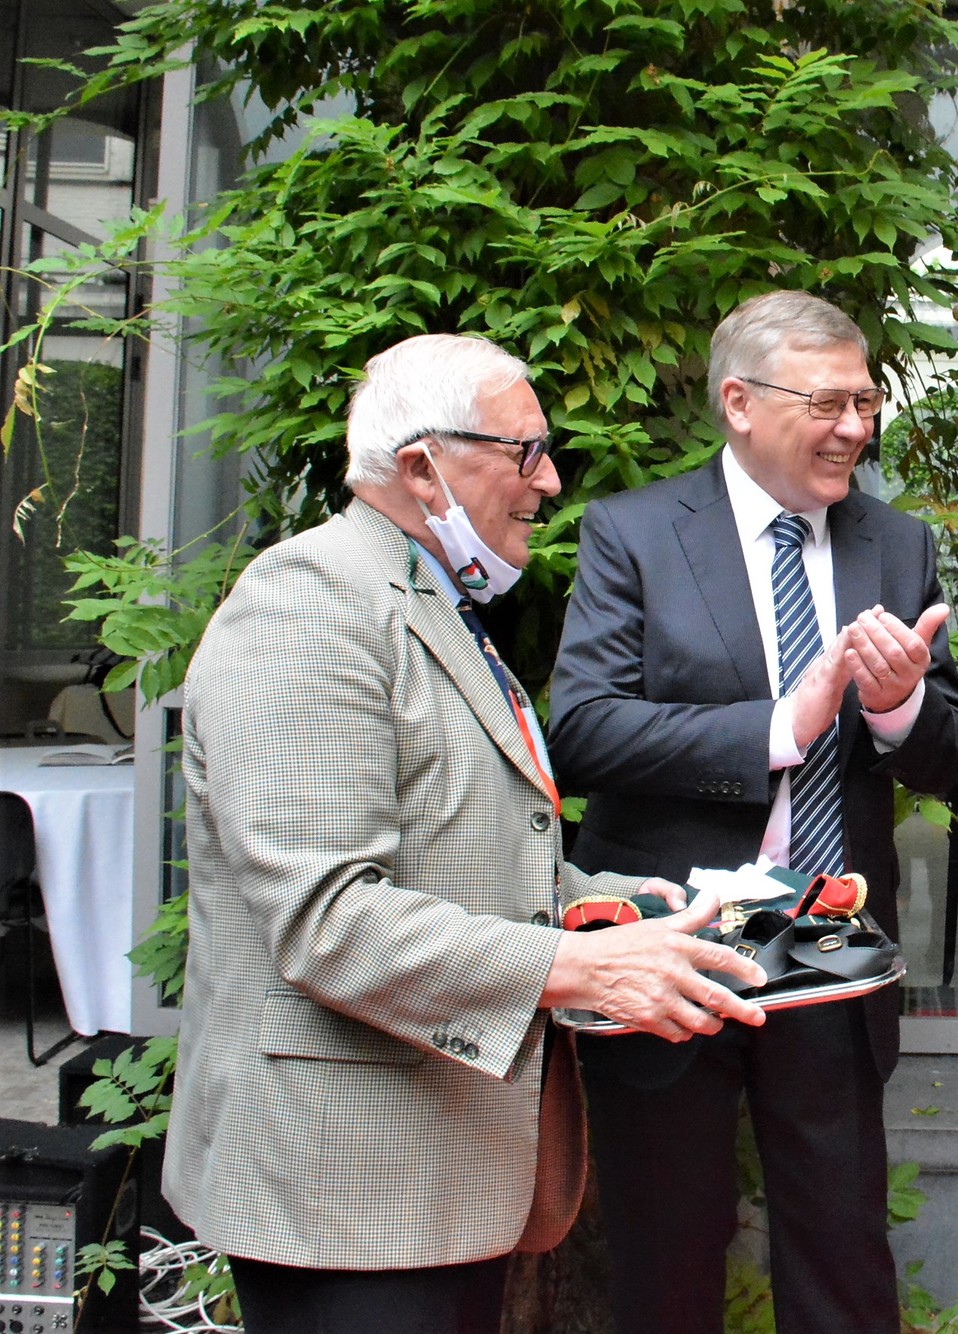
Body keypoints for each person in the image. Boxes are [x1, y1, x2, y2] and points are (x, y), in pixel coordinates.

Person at [164, 334, 767, 1334]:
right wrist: (576, 968)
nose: (551, 479)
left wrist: (611, 907)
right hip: (344, 1190)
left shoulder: (430, 597)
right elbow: (328, 918)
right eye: (524, 451)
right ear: (420, 464)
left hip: (437, 1176)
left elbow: (455, 838)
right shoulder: (307, 604)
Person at [546, 289, 958, 1334]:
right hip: (675, 947)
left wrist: (897, 702)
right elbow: (585, 731)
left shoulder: (897, 543)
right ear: (738, 401)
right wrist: (784, 722)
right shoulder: (636, 533)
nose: (856, 428)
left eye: (866, 401)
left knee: (843, 1254)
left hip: (832, 940)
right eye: (829, 402)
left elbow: (955, 752)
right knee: (667, 1256)